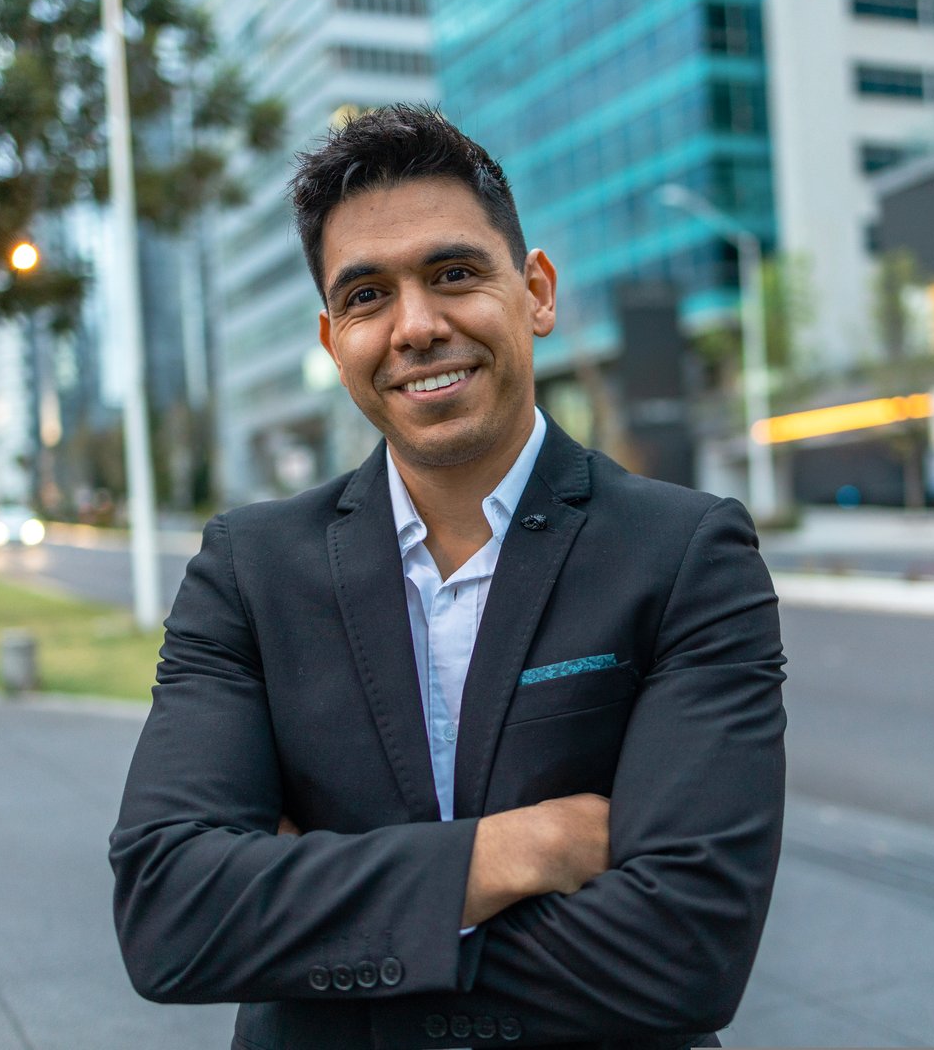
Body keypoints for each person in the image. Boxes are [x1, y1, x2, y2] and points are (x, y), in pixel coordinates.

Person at [110, 105, 787, 1050]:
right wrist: (528, 849)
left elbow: (686, 950)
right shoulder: (249, 572)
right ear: (332, 337)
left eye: (454, 274)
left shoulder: (684, 555)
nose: (417, 327)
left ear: (537, 292)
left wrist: (311, 920)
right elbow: (170, 916)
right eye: (366, 297)